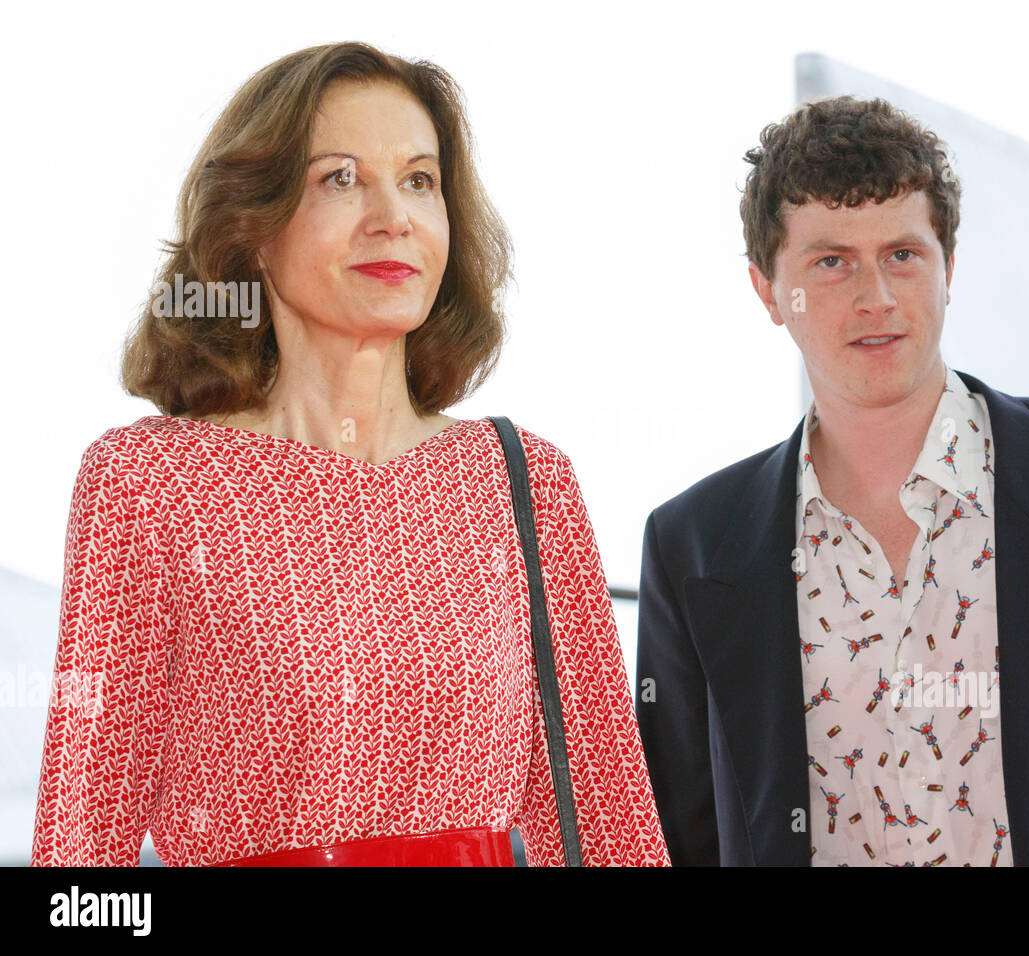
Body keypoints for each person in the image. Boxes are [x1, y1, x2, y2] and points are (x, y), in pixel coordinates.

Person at [31, 41, 669, 867]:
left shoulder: (525, 483)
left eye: (419, 180)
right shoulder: (150, 484)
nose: (392, 216)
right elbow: (79, 853)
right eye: (340, 178)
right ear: (251, 230)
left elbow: (611, 824)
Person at [634, 95, 1029, 866]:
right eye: (831, 262)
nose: (876, 296)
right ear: (768, 291)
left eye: (903, 254)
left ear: (950, 269)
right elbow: (678, 840)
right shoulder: (694, 548)